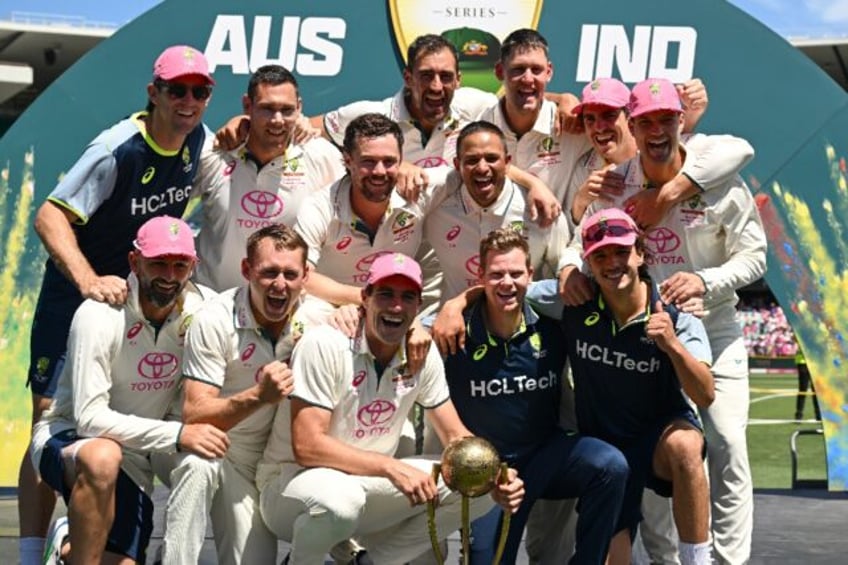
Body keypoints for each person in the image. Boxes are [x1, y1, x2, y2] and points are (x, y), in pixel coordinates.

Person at [18, 45, 215, 565]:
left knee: (113, 429)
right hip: (84, 296)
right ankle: (30, 551)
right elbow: (49, 217)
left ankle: (79, 532)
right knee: (53, 418)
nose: (189, 100)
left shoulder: (199, 138)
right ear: (154, 94)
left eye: (199, 91)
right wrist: (88, 280)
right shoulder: (117, 149)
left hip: (140, 296)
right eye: (177, 90)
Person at [561, 79, 767, 565]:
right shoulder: (618, 183)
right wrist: (570, 268)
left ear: (682, 122)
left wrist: (704, 282)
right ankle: (666, 560)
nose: (657, 131)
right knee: (653, 454)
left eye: (666, 120)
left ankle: (727, 562)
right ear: (633, 127)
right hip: (644, 338)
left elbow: (755, 257)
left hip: (712, 326)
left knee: (727, 441)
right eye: (646, 122)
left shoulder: (716, 177)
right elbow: (581, 237)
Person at [257, 252, 525, 563]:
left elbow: (455, 435)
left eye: (407, 297)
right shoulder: (324, 344)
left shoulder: (422, 353)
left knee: (477, 486)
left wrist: (498, 473)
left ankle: (370, 562)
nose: (396, 306)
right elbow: (308, 447)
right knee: (340, 503)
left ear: (417, 306)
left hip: (365, 484)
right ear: (365, 297)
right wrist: (391, 467)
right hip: (292, 487)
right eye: (385, 294)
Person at [30, 216, 224, 564]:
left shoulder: (207, 309)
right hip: (71, 437)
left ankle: (68, 548)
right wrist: (178, 434)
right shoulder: (99, 313)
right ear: (135, 261)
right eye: (158, 263)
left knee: (202, 462)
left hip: (144, 447)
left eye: (180, 265)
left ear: (193, 266)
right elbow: (89, 419)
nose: (168, 276)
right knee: (104, 456)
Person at [529, 208, 715, 565]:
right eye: (600, 255)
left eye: (621, 251)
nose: (612, 263)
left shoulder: (675, 312)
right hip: (605, 451)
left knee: (687, 445)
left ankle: (698, 560)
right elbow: (505, 287)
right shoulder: (572, 300)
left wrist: (672, 345)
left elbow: (705, 394)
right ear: (588, 263)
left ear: (641, 253)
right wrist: (456, 305)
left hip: (657, 439)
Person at [443, 228, 628, 564]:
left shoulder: (551, 320)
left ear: (530, 274)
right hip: (488, 473)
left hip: (544, 456)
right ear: (480, 277)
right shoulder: (454, 329)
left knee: (610, 465)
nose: (507, 283)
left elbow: (613, 289)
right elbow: (407, 326)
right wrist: (451, 306)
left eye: (516, 273)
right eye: (496, 274)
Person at [153, 223, 329, 564]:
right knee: (198, 464)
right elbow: (195, 414)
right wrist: (259, 396)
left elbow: (383, 311)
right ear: (247, 270)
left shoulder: (322, 319)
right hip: (209, 445)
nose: (280, 285)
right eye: (269, 273)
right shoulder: (214, 319)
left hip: (265, 465)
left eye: (290, 274)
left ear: (306, 275)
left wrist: (409, 330)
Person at [193, 64, 345, 291]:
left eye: (286, 110)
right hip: (211, 301)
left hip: (284, 307)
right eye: (267, 108)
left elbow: (360, 199)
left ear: (299, 108)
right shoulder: (215, 152)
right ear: (247, 106)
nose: (277, 120)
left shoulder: (321, 155)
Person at [424, 120, 572, 303]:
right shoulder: (436, 207)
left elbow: (564, 274)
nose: (482, 168)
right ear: (457, 164)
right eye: (472, 160)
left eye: (491, 158)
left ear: (508, 162)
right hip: (457, 323)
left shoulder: (541, 208)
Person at [795, 348, 822, 421]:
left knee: (815, 390)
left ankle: (819, 414)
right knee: (803, 389)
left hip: (814, 362)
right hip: (803, 362)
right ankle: (799, 414)